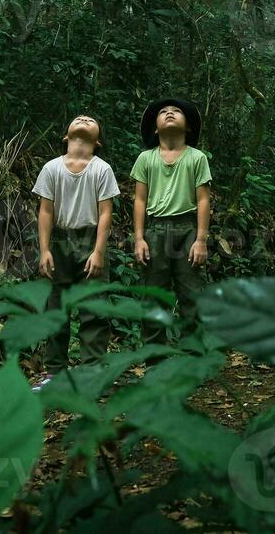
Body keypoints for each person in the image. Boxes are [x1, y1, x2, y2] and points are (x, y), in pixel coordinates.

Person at [31, 114, 119, 390]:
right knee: (55, 308)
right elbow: (45, 211)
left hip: (89, 240)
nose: (83, 119)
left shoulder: (101, 169)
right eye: (78, 119)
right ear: (66, 137)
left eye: (90, 120)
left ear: (98, 140)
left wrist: (98, 251)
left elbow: (106, 213)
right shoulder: (52, 168)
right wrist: (44, 249)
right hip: (59, 241)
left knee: (93, 310)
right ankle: (55, 374)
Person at [131, 97, 212, 346]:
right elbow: (140, 200)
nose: (169, 113)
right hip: (155, 229)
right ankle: (154, 356)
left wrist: (200, 240)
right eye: (163, 112)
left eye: (177, 111)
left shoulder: (197, 157)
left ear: (188, 127)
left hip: (187, 229)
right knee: (153, 295)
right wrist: (139, 238)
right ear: (155, 128)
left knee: (192, 294)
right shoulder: (146, 158)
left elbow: (203, 201)